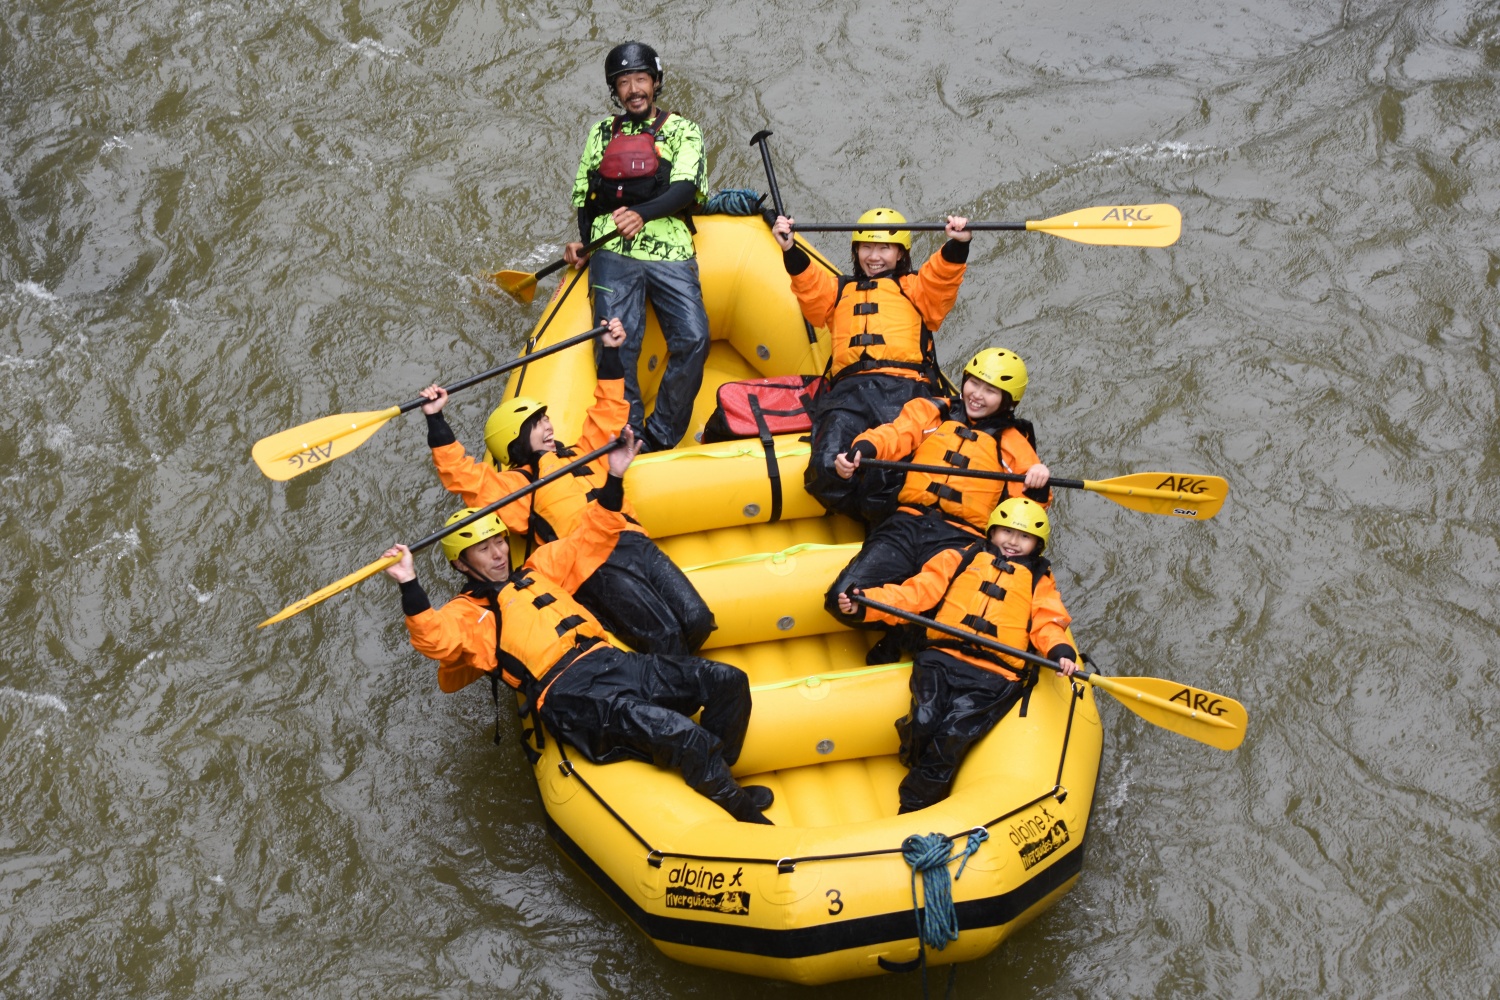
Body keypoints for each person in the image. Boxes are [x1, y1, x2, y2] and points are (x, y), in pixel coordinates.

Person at [382, 428, 773, 825]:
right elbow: (431, 638)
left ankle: (721, 778)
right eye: (484, 550)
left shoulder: (538, 570)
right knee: (684, 734)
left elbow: (595, 531)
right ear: (462, 565)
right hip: (570, 695)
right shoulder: (469, 615)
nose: (499, 554)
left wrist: (615, 475)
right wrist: (409, 582)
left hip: (612, 663)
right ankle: (745, 815)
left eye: (499, 542)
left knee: (727, 680)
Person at [417, 318, 715, 655]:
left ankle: (686, 674)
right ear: (513, 441)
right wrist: (435, 418)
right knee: (666, 640)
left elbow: (610, 408)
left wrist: (613, 351)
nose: (547, 425)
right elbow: (462, 476)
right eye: (535, 423)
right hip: (590, 565)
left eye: (545, 418)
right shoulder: (517, 488)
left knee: (698, 620)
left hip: (633, 541)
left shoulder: (584, 451)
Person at [835, 497, 1077, 813]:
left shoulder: (1039, 581)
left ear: (1038, 544)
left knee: (951, 734)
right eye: (1006, 532)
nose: (1013, 542)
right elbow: (914, 594)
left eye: (1024, 536)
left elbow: (1048, 620)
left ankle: (913, 804)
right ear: (991, 532)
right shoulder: (960, 558)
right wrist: (865, 601)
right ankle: (914, 755)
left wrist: (1060, 650)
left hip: (995, 676)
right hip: (941, 659)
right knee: (923, 719)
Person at [824, 348, 1052, 662]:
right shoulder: (932, 412)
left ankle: (904, 639)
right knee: (841, 601)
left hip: (959, 543)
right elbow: (896, 434)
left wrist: (1038, 487)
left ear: (1008, 400)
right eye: (974, 384)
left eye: (990, 391)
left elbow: (1026, 513)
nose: (977, 395)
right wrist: (863, 448)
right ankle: (898, 632)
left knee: (943, 616)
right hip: (904, 527)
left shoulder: (1014, 446)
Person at [771, 208, 971, 523]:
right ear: (855, 250)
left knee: (896, 471)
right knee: (824, 470)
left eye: (884, 248)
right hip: (848, 394)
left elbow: (942, 277)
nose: (873, 256)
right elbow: (810, 285)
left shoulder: (915, 288)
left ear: (901, 254)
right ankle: (868, 514)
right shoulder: (839, 290)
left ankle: (889, 517)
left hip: (903, 390)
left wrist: (957, 244)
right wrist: (789, 248)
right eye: (866, 247)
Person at [564, 41, 710, 453]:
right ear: (616, 90)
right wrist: (588, 243)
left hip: (671, 251)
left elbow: (685, 188)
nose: (633, 90)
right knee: (615, 344)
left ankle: (659, 436)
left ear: (656, 82)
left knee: (695, 339)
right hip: (613, 252)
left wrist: (643, 213)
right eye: (624, 83)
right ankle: (627, 433)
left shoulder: (684, 130)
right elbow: (585, 197)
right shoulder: (600, 132)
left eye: (641, 80)